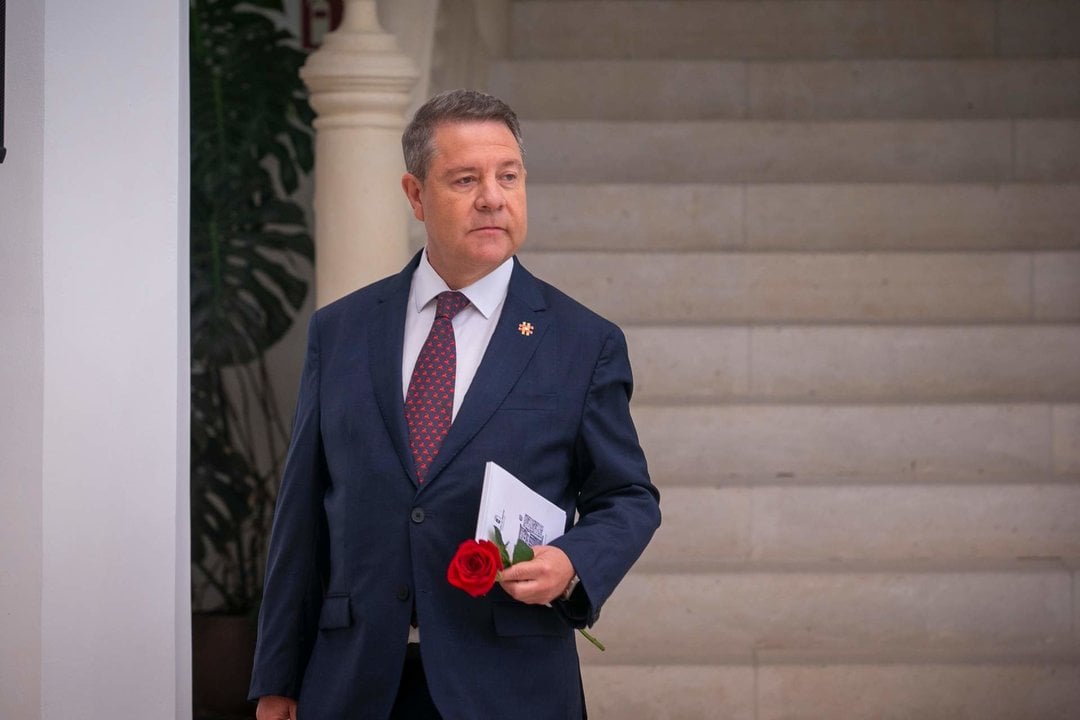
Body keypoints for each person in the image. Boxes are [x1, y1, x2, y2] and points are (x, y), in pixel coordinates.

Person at [249, 89, 661, 720]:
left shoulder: (583, 342)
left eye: (509, 176)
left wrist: (572, 561)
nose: (492, 197)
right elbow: (301, 516)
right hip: (354, 681)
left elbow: (628, 497)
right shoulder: (342, 331)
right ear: (415, 195)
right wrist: (277, 680)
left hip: (508, 683)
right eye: (465, 179)